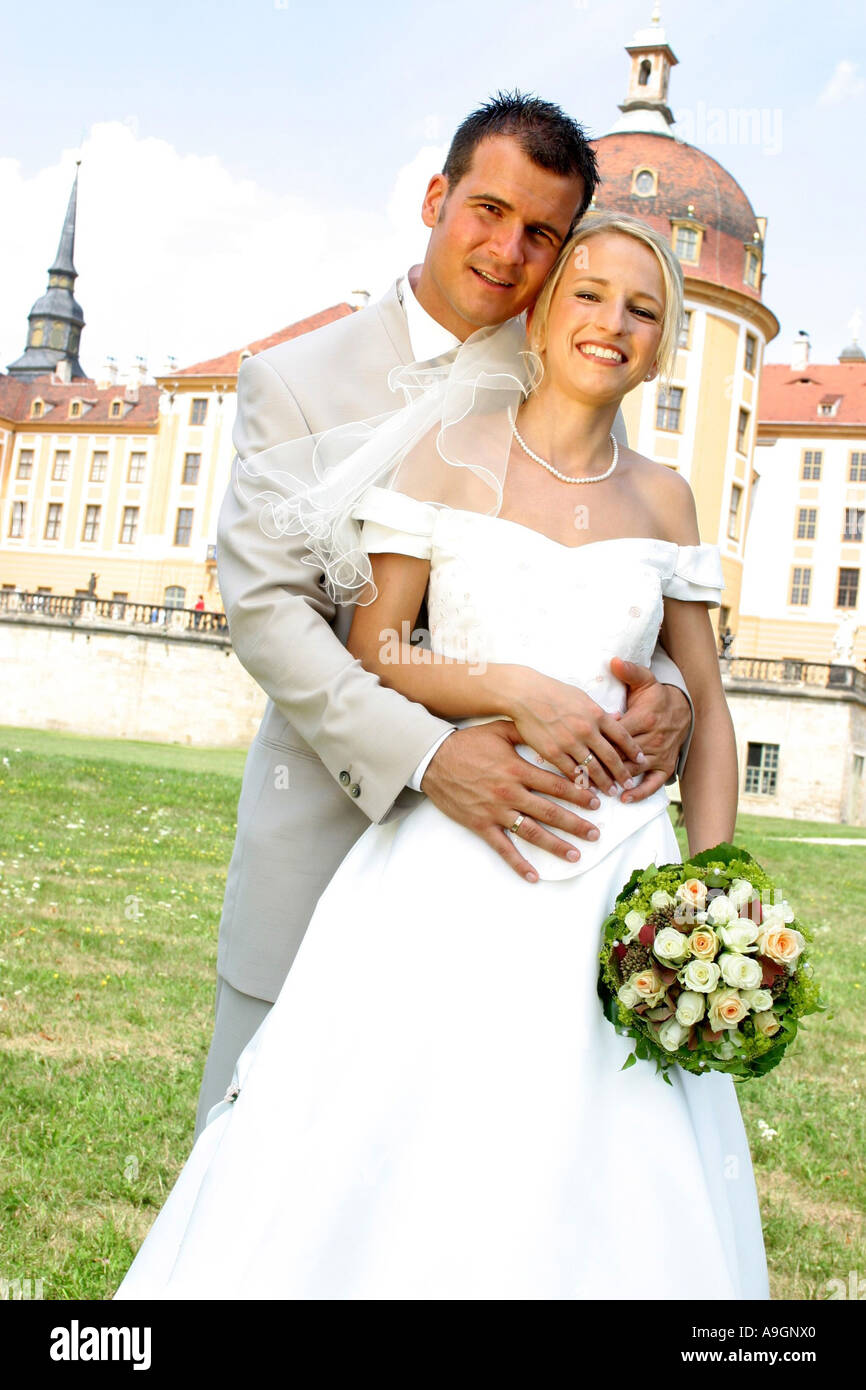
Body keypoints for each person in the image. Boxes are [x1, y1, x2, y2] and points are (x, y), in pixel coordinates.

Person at [116, 212, 768, 1299]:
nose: (611, 322)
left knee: (602, 1147)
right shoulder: (449, 455)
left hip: (614, 879)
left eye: (643, 309)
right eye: (589, 294)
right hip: (453, 854)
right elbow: (380, 644)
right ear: (544, 312)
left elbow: (706, 705)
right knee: (397, 1127)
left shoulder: (666, 497)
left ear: (663, 346)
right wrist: (510, 689)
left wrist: (710, 898)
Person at [196, 93, 694, 1134]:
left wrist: (677, 698)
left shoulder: (569, 358)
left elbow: (621, 565)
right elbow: (267, 614)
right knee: (264, 1158)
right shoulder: (294, 379)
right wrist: (429, 756)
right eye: (487, 210)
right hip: (332, 826)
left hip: (530, 879)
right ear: (435, 197)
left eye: (541, 233)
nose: (509, 250)